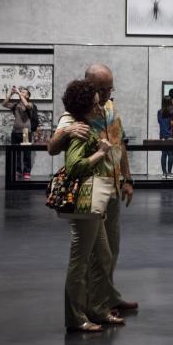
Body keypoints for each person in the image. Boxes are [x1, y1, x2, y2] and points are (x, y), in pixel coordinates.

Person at [48, 64, 138, 317]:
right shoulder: (75, 114)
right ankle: (91, 306)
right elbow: (52, 148)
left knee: (110, 250)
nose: (107, 94)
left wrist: (128, 179)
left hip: (112, 188)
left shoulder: (109, 108)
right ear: (90, 86)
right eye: (102, 89)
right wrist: (67, 131)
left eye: (110, 89)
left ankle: (107, 297)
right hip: (91, 191)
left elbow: (120, 144)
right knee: (90, 255)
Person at [60, 79, 124, 332]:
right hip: (85, 203)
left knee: (103, 256)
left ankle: (98, 309)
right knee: (80, 262)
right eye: (96, 104)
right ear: (85, 107)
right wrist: (100, 152)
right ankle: (76, 318)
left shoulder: (85, 126)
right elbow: (73, 166)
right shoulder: (81, 130)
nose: (100, 107)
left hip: (94, 203)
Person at [1, 86, 33, 180]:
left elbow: (27, 105)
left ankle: (26, 171)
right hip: (15, 132)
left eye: (23, 92)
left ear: (27, 96)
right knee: (16, 153)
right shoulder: (15, 105)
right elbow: (4, 104)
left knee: (26, 153)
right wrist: (10, 94)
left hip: (25, 132)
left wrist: (18, 93)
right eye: (21, 91)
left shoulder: (30, 104)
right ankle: (18, 171)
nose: (21, 93)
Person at [157, 95, 173, 179]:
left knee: (163, 154)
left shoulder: (159, 112)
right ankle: (169, 173)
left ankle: (164, 173)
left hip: (162, 135)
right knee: (170, 154)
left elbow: (159, 122)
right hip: (171, 135)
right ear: (170, 102)